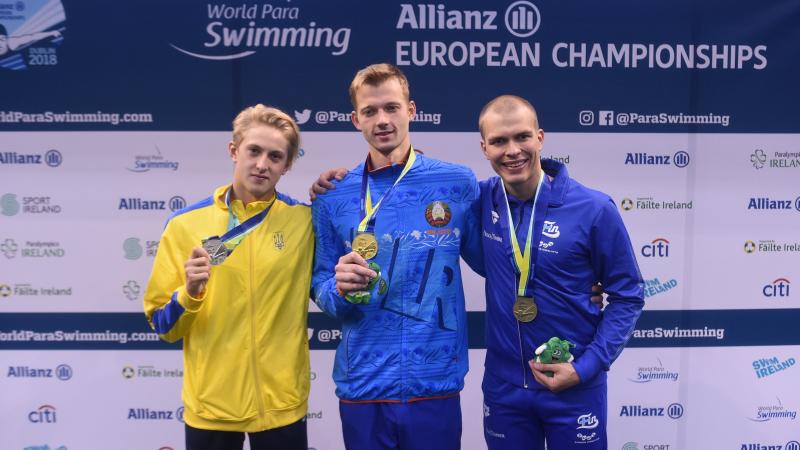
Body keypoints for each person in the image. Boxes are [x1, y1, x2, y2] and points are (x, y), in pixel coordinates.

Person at [310, 63, 483, 450]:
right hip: (363, 385)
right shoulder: (332, 196)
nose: (382, 120)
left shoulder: (457, 182)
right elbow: (319, 284)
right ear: (356, 119)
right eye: (370, 111)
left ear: (412, 110)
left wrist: (574, 277)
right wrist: (337, 288)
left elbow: (496, 260)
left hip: (434, 382)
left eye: (391, 107)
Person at [478, 95, 644, 449]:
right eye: (499, 141)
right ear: (484, 148)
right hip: (504, 389)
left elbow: (628, 296)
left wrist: (586, 367)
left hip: (574, 386)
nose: (512, 151)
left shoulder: (594, 208)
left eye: (522, 137)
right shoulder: (477, 201)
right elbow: (420, 197)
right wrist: (333, 185)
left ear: (540, 137)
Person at [143, 104, 313, 450]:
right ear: (234, 151)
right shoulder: (184, 225)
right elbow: (163, 326)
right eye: (254, 151)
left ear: (287, 165)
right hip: (212, 408)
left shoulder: (304, 222)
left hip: (281, 405)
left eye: (275, 156)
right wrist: (189, 293)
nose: (262, 164)